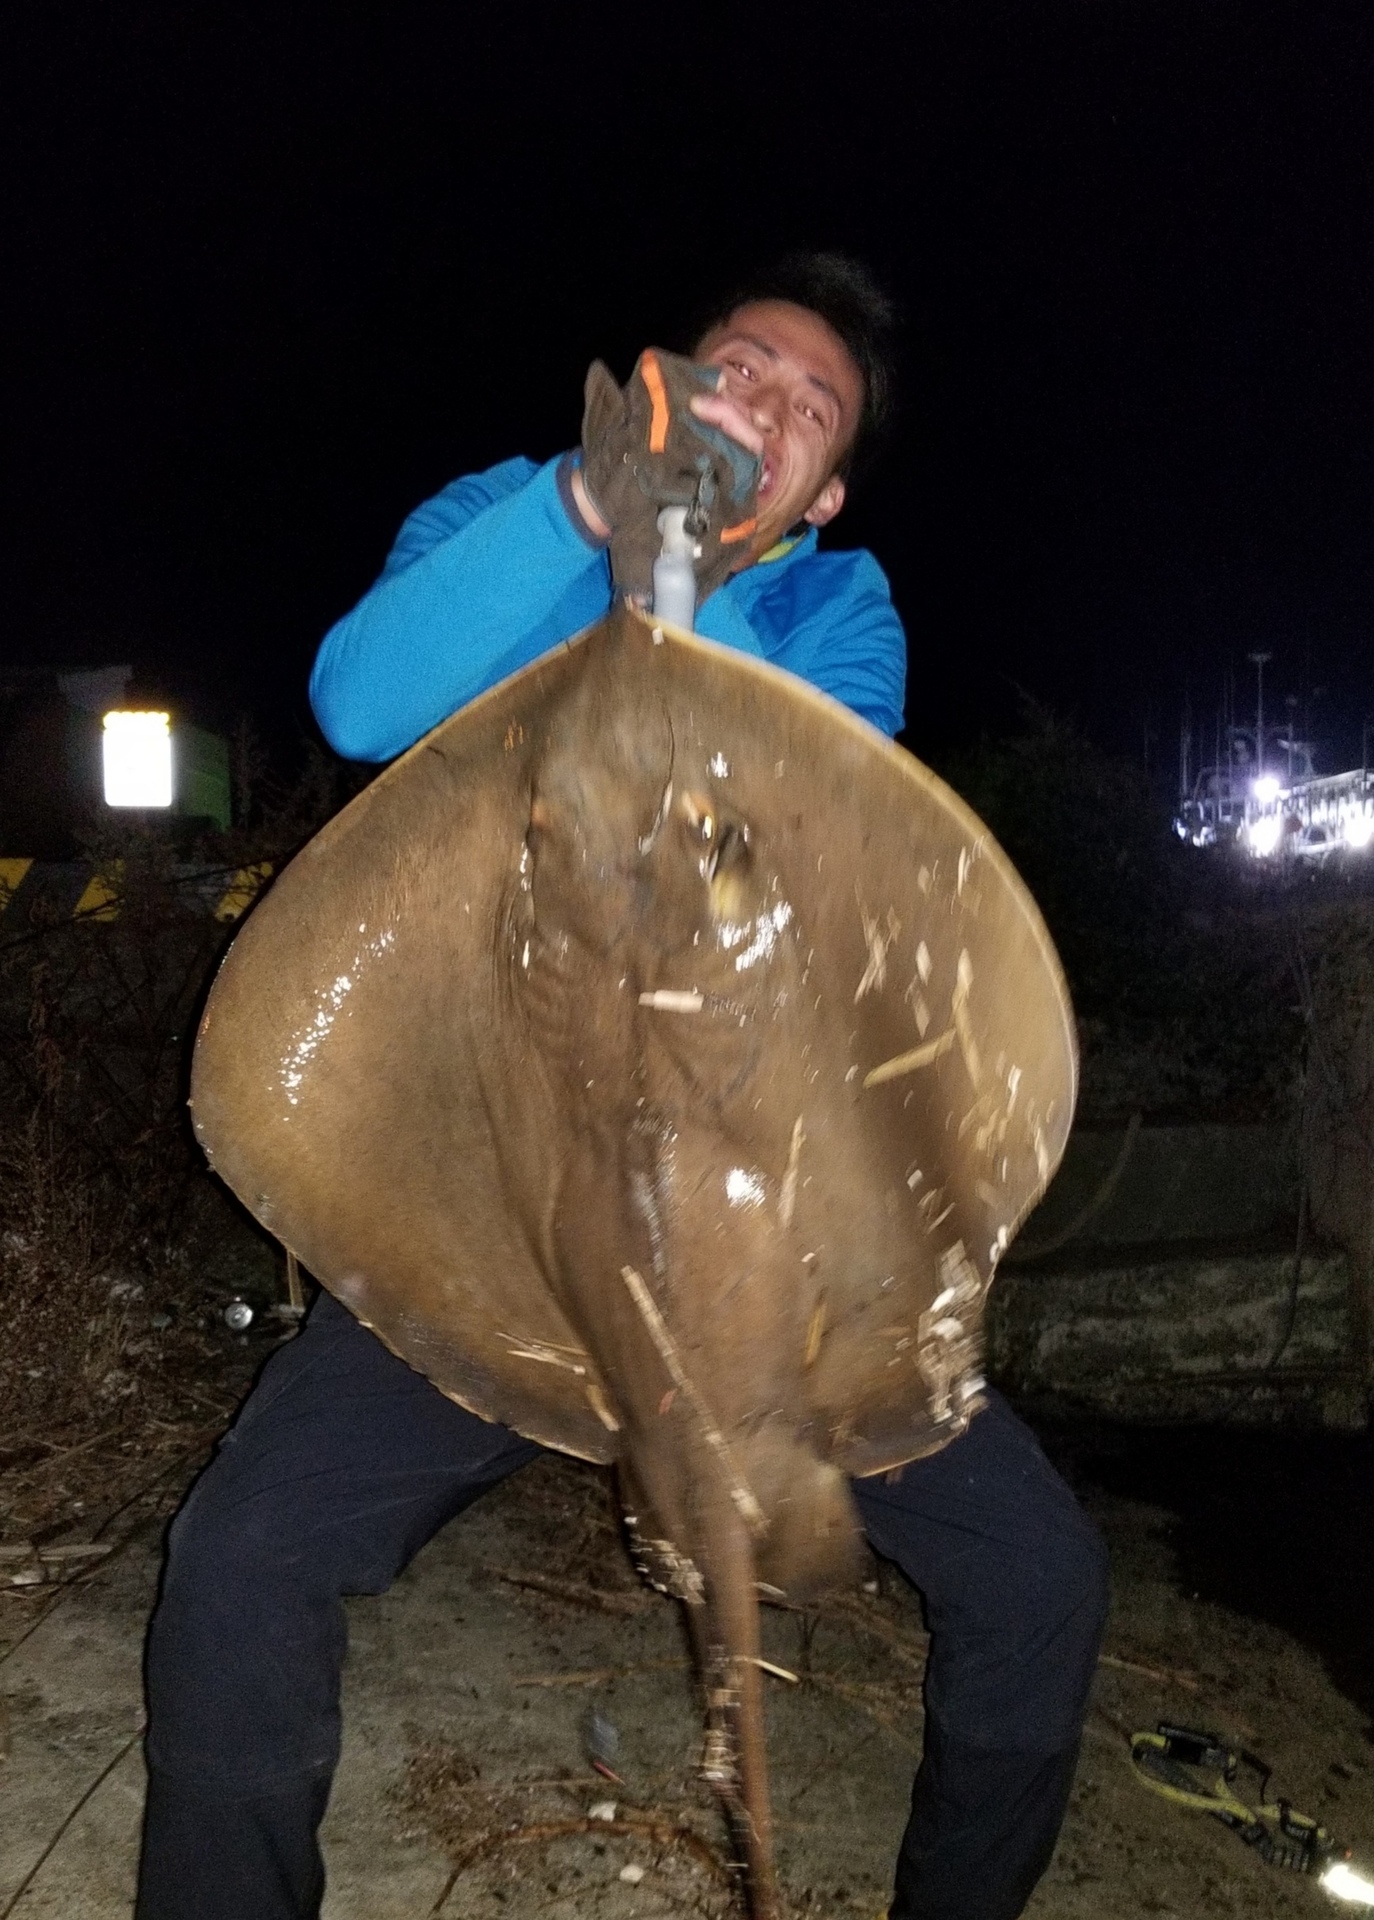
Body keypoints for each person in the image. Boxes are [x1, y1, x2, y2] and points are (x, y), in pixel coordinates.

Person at [136, 253, 1108, 1920]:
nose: (769, 405)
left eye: (810, 410)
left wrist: (682, 562)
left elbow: (816, 812)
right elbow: (364, 703)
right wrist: (594, 508)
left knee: (1042, 1580)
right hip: (495, 1214)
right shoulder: (516, 512)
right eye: (744, 366)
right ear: (670, 370)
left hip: (769, 1257)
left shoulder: (829, 610)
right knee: (238, 1565)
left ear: (827, 487)